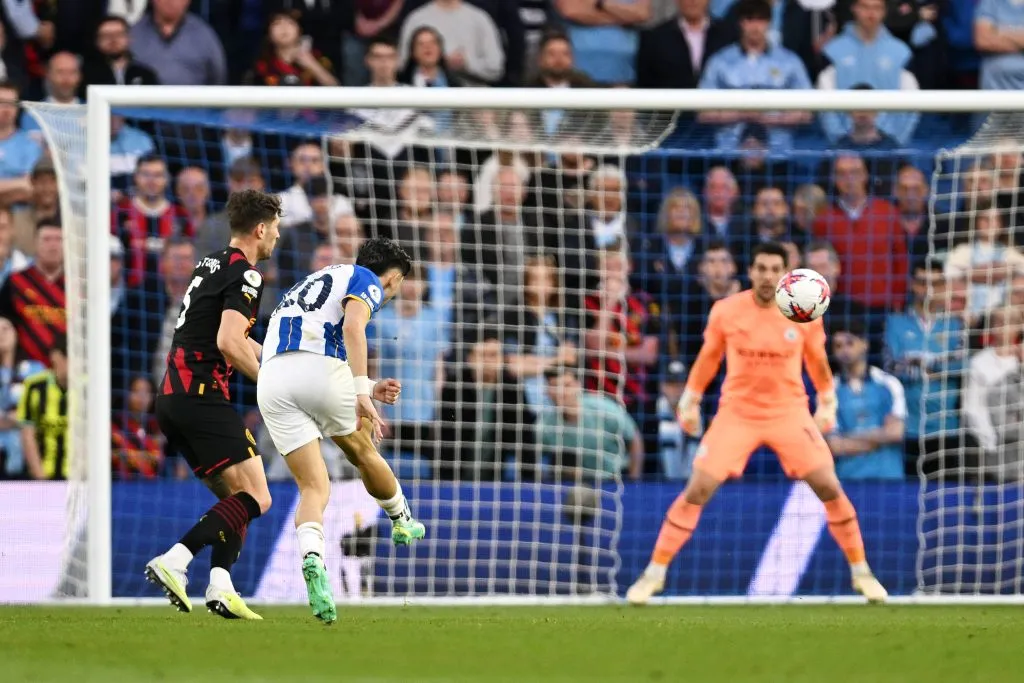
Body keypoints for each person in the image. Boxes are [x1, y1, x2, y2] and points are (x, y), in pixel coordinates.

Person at [625, 242, 888, 604]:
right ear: (750, 272)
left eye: (774, 269)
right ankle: (653, 574)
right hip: (737, 413)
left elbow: (817, 361)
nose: (767, 276)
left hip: (789, 412)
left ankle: (862, 573)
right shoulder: (726, 311)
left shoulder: (803, 310)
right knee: (698, 489)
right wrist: (690, 400)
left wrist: (827, 401)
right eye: (760, 268)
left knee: (829, 486)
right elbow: (708, 358)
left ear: (785, 273)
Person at [258, 237, 425, 623]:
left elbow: (311, 346)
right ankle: (402, 520)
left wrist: (362, 386)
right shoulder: (365, 278)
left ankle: (313, 559)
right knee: (364, 450)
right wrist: (363, 388)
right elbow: (352, 328)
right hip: (317, 370)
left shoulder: (313, 280)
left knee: (314, 488)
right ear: (394, 278)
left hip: (271, 380)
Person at [144, 189, 282, 620]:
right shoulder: (248, 275)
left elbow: (231, 336)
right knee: (259, 496)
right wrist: (272, 385)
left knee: (234, 498)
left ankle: (221, 585)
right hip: (202, 396)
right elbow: (227, 341)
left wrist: (278, 357)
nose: (277, 236)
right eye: (275, 228)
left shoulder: (210, 263)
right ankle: (176, 559)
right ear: (260, 229)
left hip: (173, 398)